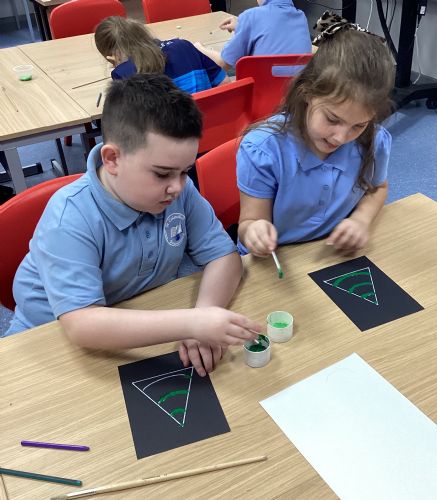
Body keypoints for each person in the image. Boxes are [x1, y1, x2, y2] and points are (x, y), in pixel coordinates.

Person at [5, 74, 261, 376]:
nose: (178, 186)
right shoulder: (69, 217)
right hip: (47, 340)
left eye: (185, 171)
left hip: (135, 316)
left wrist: (205, 314)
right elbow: (82, 324)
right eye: (162, 174)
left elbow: (224, 256)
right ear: (112, 159)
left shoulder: (177, 191)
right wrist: (192, 323)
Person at [236, 13, 395, 257]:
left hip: (329, 255)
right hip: (275, 260)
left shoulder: (375, 140)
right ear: (307, 93)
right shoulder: (264, 149)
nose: (341, 137)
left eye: (359, 125)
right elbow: (249, 223)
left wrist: (361, 219)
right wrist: (254, 231)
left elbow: (378, 187)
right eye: (332, 119)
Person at [94, 17, 230, 93]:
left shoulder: (122, 73)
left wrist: (119, 66)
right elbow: (225, 83)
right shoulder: (183, 45)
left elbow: (129, 122)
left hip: (169, 135)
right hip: (214, 128)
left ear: (111, 57)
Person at [194, 0, 311, 71]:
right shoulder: (301, 17)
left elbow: (223, 64)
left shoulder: (251, 16)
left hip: (259, 96)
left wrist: (199, 48)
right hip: (295, 99)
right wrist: (242, 26)